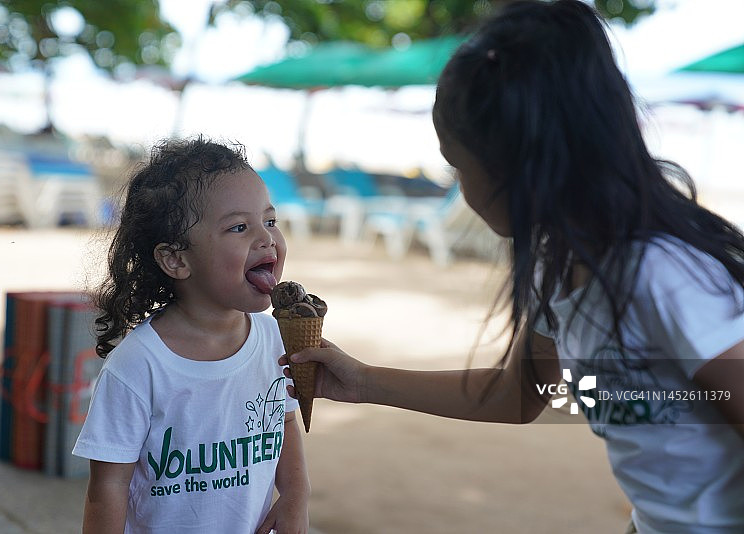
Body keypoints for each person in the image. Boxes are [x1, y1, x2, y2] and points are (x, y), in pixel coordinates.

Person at [281, 1, 744, 532]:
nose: (462, 186)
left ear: (520, 167)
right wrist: (363, 381)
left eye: (459, 166)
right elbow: (520, 394)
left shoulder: (663, 276)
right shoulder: (562, 267)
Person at [73, 138, 310, 534]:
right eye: (239, 227)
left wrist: (295, 498)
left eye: (269, 221)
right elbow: (108, 485)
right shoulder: (139, 365)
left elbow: (284, 424)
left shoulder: (275, 339)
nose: (267, 239)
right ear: (176, 259)